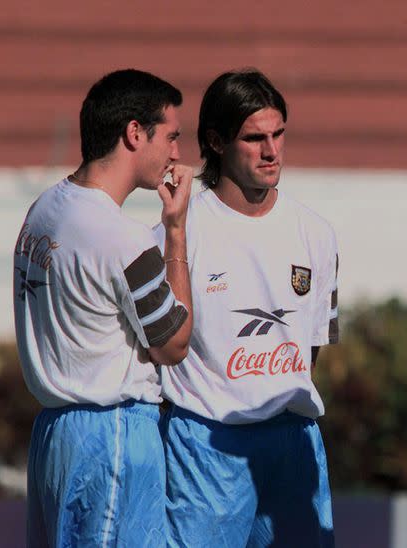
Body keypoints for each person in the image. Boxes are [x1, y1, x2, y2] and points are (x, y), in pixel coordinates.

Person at [154, 69, 339, 547]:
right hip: (207, 446)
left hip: (294, 442)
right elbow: (155, 347)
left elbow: (313, 347)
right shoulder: (177, 232)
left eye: (278, 135)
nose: (272, 151)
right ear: (215, 141)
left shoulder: (316, 233)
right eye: (254, 139)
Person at [13, 69, 194, 546]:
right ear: (135, 133)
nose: (176, 152)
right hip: (111, 435)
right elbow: (173, 343)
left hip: (53, 435)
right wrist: (175, 231)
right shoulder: (122, 235)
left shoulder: (44, 209)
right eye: (171, 137)